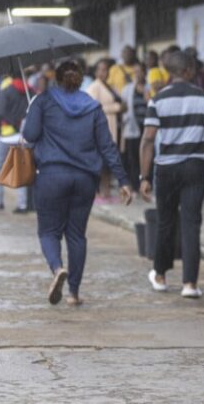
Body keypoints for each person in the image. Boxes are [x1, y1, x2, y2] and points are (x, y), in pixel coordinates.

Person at [23, 60, 133, 306]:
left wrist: (33, 110)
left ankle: (57, 268)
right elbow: (107, 146)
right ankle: (73, 292)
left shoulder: (43, 100)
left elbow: (29, 135)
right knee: (76, 235)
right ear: (81, 79)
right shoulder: (93, 107)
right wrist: (123, 180)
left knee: (49, 231)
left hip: (51, 176)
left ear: (57, 78)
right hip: (84, 179)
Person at [140, 50, 204, 299]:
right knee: (191, 224)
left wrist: (144, 176)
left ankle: (161, 276)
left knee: (166, 222)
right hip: (194, 167)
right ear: (188, 72)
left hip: (165, 168)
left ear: (169, 72)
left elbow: (147, 139)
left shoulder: (157, 100)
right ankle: (190, 284)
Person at [86, 58, 126, 202]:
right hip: (102, 129)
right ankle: (98, 191)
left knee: (110, 162)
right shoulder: (94, 87)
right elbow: (91, 108)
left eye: (106, 70)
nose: (104, 72)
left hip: (115, 127)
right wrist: (115, 108)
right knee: (102, 162)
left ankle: (106, 191)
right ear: (96, 72)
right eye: (101, 70)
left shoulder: (109, 86)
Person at [0, 76, 30, 212]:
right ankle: (22, 205)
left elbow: (1, 112)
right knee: (21, 170)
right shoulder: (29, 91)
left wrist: (12, 123)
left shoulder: (6, 90)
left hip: (6, 136)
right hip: (21, 136)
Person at [121, 61, 148, 193]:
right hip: (133, 128)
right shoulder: (127, 89)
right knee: (133, 157)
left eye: (140, 71)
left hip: (148, 128)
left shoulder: (149, 87)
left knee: (147, 156)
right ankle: (135, 185)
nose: (138, 74)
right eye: (135, 72)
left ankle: (147, 181)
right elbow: (124, 108)